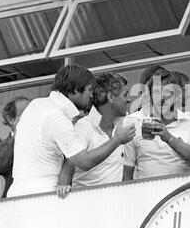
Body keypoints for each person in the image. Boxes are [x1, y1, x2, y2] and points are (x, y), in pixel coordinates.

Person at [7, 65, 136, 197]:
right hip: (42, 195)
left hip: (18, 193)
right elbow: (84, 162)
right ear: (75, 90)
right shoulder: (58, 118)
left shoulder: (36, 105)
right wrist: (117, 140)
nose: (92, 96)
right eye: (89, 90)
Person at [57, 72, 133, 198]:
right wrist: (63, 186)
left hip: (115, 206)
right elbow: (69, 165)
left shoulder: (124, 125)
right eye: (125, 95)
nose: (129, 99)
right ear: (111, 97)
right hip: (87, 207)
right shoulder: (83, 127)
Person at [123, 72, 190, 180]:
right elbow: (127, 171)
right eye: (157, 92)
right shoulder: (135, 123)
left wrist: (169, 138)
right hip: (145, 193)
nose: (162, 98)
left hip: (180, 194)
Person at [0, 96, 30, 198]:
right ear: (11, 119)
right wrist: (17, 134)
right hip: (11, 202)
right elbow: (0, 167)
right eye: (26, 115)